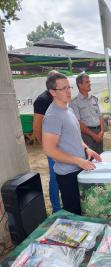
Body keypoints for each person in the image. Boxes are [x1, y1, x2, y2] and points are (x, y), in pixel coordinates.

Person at [42, 72, 101, 215]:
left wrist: (87, 149)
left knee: (85, 209)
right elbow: (49, 150)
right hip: (68, 175)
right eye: (63, 89)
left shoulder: (68, 109)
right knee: (74, 215)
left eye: (69, 87)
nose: (68, 91)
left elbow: (75, 136)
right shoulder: (53, 116)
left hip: (79, 169)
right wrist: (77, 160)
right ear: (52, 92)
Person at [33, 71, 61, 213]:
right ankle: (56, 209)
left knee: (65, 174)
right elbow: (36, 127)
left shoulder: (59, 97)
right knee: (55, 177)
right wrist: (46, 146)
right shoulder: (42, 100)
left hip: (64, 145)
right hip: (52, 147)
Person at [69, 72, 104, 154]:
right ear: (80, 85)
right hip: (87, 135)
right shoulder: (75, 102)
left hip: (99, 133)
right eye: (87, 82)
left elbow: (100, 116)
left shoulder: (94, 99)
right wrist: (93, 135)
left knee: (101, 157)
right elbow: (78, 123)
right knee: (90, 159)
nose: (90, 84)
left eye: (89, 82)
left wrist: (102, 131)